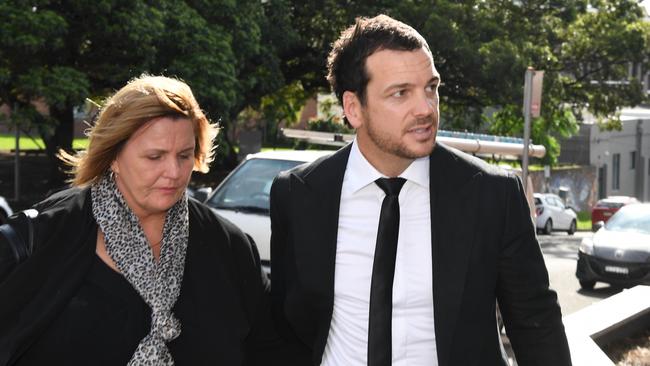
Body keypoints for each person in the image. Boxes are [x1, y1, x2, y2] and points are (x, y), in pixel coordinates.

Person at [270, 15, 572, 366]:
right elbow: (285, 327)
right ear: (354, 108)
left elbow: (537, 326)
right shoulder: (297, 194)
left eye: (431, 88)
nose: (426, 108)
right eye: (401, 93)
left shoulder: (492, 195)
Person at [0, 75, 301, 365]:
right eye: (155, 157)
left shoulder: (229, 247)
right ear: (113, 156)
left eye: (184, 155)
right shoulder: (42, 236)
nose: (173, 171)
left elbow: (270, 350)